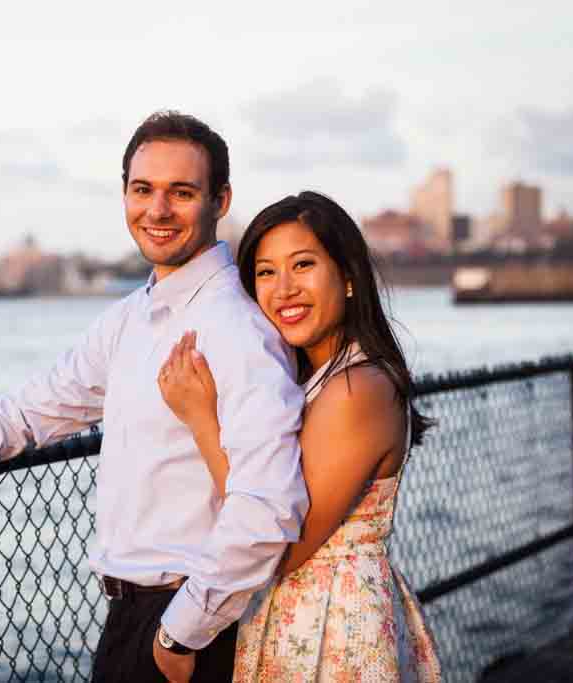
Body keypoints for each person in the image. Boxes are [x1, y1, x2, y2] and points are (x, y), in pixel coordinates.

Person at [0, 111, 310, 683]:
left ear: (221, 200)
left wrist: (179, 635)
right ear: (125, 195)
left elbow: (270, 506)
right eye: (143, 190)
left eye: (181, 192)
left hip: (193, 627)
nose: (157, 211)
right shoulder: (131, 320)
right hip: (131, 617)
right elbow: (23, 417)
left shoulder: (237, 330)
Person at [157, 191, 442, 681]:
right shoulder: (320, 379)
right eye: (266, 272)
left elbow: (281, 547)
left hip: (334, 630)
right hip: (304, 617)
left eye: (303, 265)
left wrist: (202, 420)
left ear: (349, 277)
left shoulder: (358, 388)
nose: (283, 289)